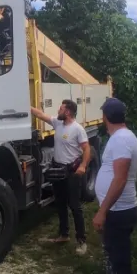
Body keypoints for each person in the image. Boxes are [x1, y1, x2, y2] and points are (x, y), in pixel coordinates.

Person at [92, 97, 137, 274]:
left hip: (118, 212)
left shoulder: (121, 139)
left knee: (120, 264)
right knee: (116, 259)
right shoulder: (124, 136)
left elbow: (120, 180)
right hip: (120, 210)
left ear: (105, 117)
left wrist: (102, 212)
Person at [31, 100, 91, 254]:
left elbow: (86, 149)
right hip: (58, 171)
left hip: (71, 173)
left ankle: (81, 241)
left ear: (68, 112)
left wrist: (83, 166)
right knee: (60, 204)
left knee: (75, 206)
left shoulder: (78, 129)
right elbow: (40, 114)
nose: (58, 110)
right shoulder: (58, 124)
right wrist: (25, 105)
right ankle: (64, 235)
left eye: (61, 108)